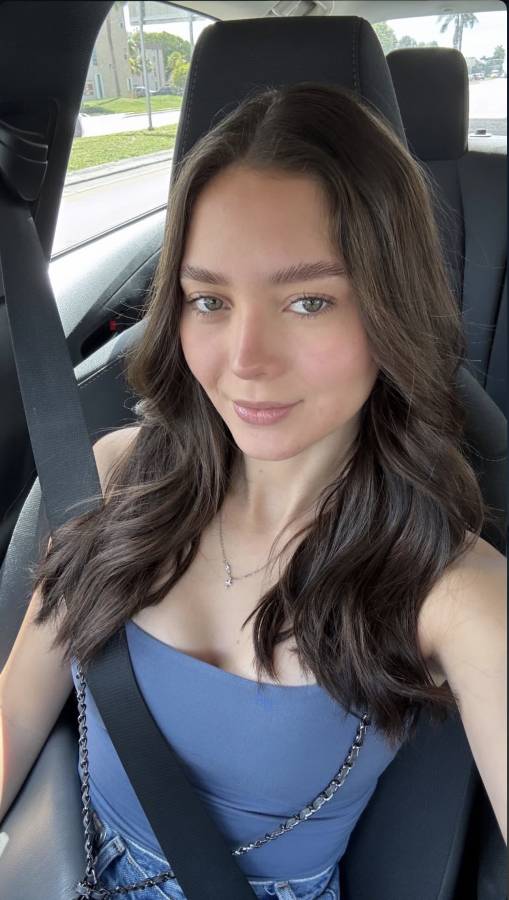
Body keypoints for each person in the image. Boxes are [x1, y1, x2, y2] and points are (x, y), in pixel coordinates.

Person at [3, 82, 506, 900]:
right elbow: (14, 719)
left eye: (308, 301)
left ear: (392, 308)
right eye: (209, 300)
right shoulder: (110, 478)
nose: (244, 360)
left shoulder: (454, 591)